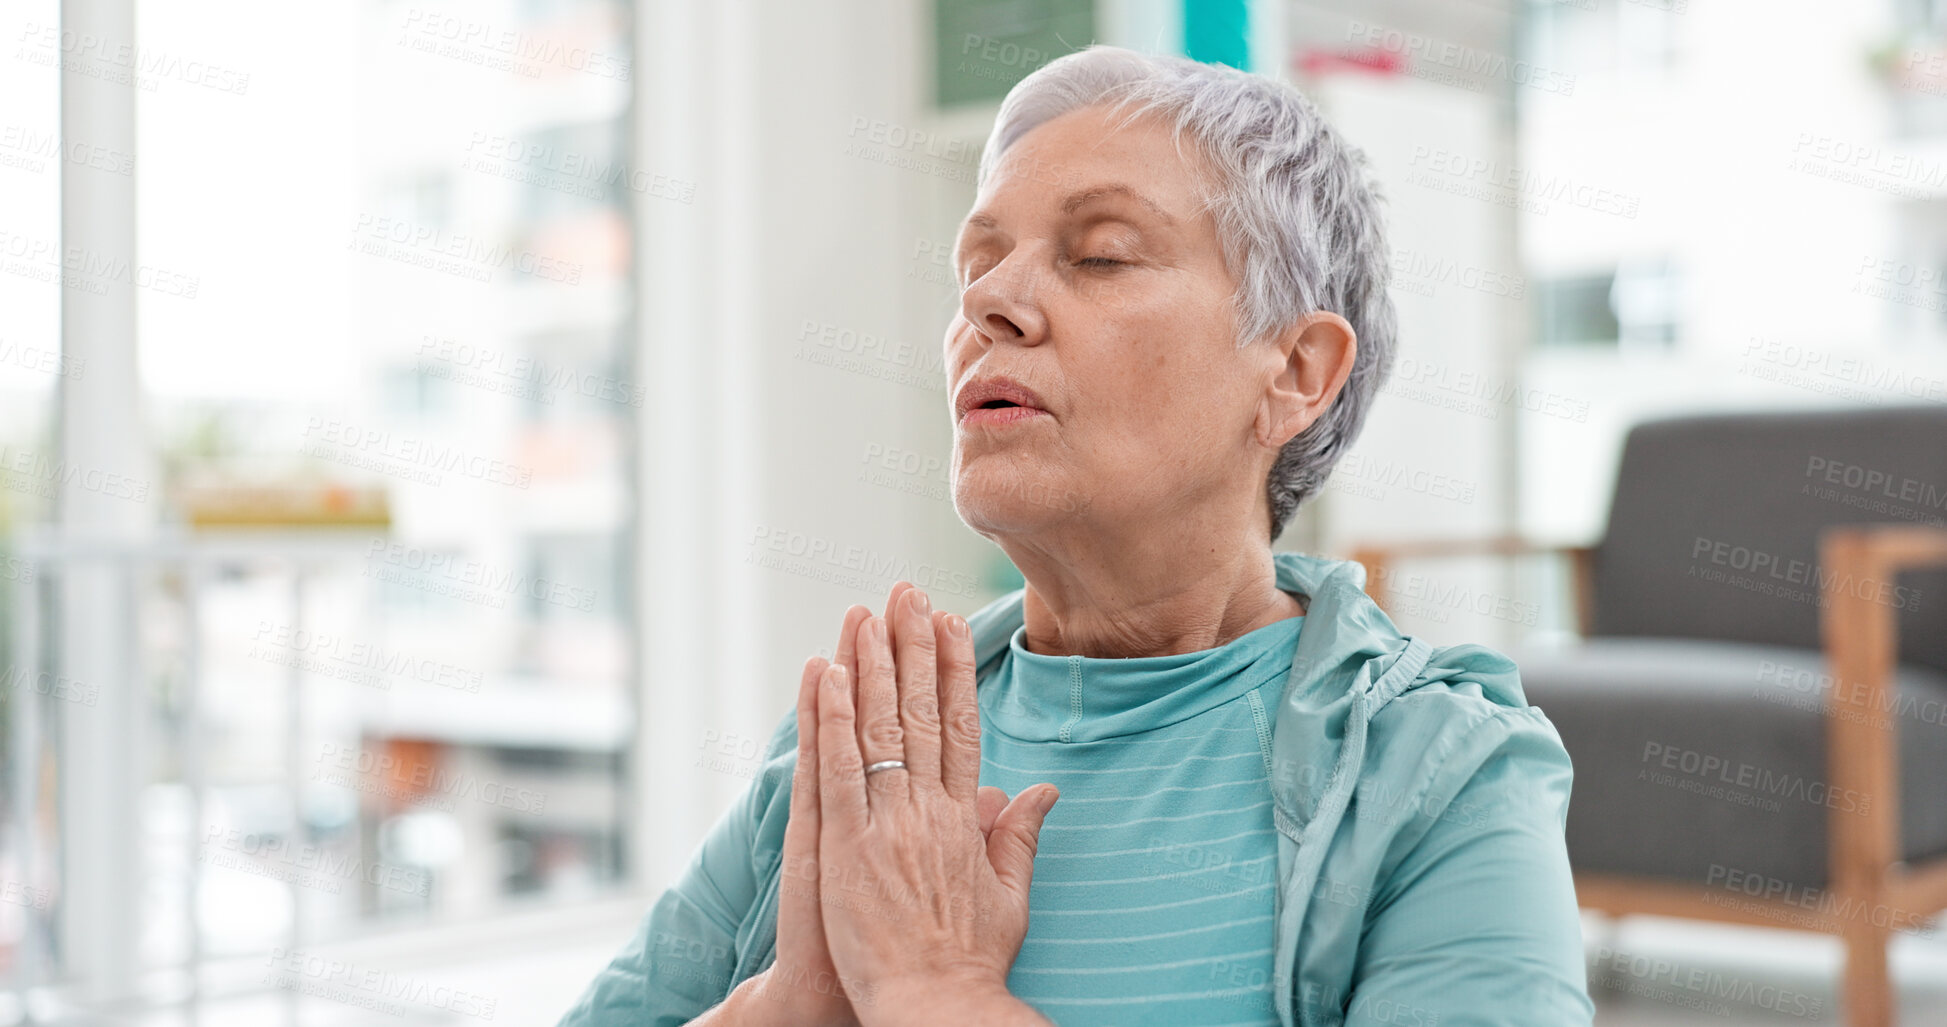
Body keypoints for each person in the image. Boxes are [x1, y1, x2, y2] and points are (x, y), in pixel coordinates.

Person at [559, 44, 1593, 1026]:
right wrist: (781, 1008)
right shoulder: (871, 745)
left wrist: (939, 989)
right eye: (980, 261)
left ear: (1295, 373)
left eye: (1099, 255)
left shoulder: (1444, 772)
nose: (989, 302)